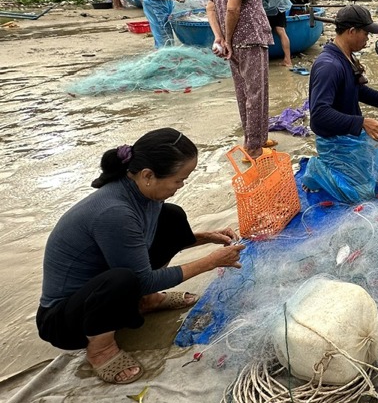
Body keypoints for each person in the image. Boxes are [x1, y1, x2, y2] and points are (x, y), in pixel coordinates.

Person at [36, 128, 245, 384]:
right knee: (123, 280)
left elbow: (141, 241)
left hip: (101, 288)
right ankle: (100, 348)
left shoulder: (144, 195)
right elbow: (140, 278)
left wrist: (205, 237)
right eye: (179, 180)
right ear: (148, 175)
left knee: (172, 218)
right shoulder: (115, 213)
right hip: (66, 320)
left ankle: (146, 302)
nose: (181, 185)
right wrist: (210, 262)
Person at [304, 5, 378, 202]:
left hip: (351, 135)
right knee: (362, 194)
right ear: (351, 31)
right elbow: (319, 115)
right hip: (335, 143)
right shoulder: (329, 66)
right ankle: (318, 169)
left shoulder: (345, 57)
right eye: (366, 33)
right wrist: (362, 122)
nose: (368, 39)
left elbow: (358, 91)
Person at [206, 0, 276, 159]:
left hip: (235, 41)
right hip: (249, 38)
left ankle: (256, 137)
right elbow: (233, 7)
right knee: (256, 93)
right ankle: (254, 148)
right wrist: (227, 37)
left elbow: (211, 7)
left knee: (244, 92)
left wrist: (222, 38)